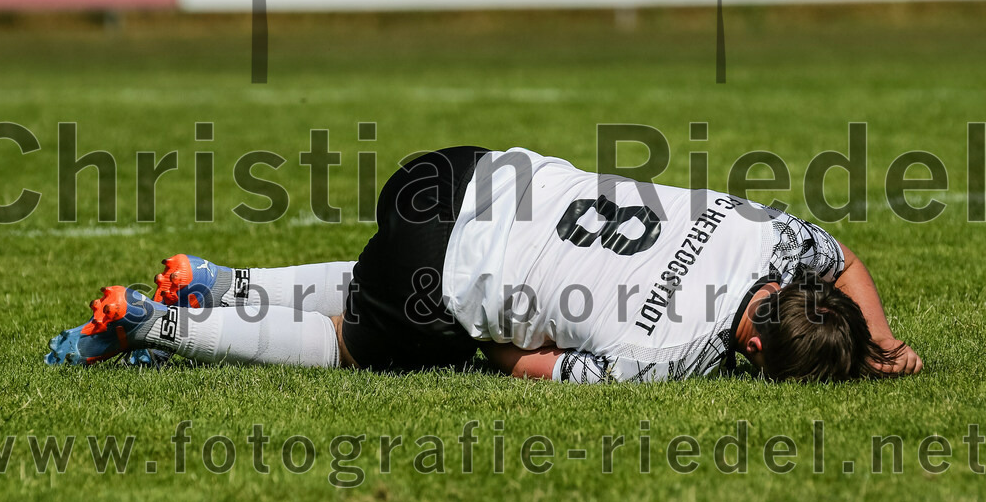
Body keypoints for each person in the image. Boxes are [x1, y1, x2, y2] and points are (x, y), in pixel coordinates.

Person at [45, 146, 923, 382]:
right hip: (439, 264)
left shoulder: (771, 239)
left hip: (457, 168)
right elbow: (530, 363)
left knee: (377, 293)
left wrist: (879, 334)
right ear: (760, 353)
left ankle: (221, 282)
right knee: (371, 345)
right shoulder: (677, 355)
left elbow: (843, 256)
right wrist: (496, 340)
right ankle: (158, 321)